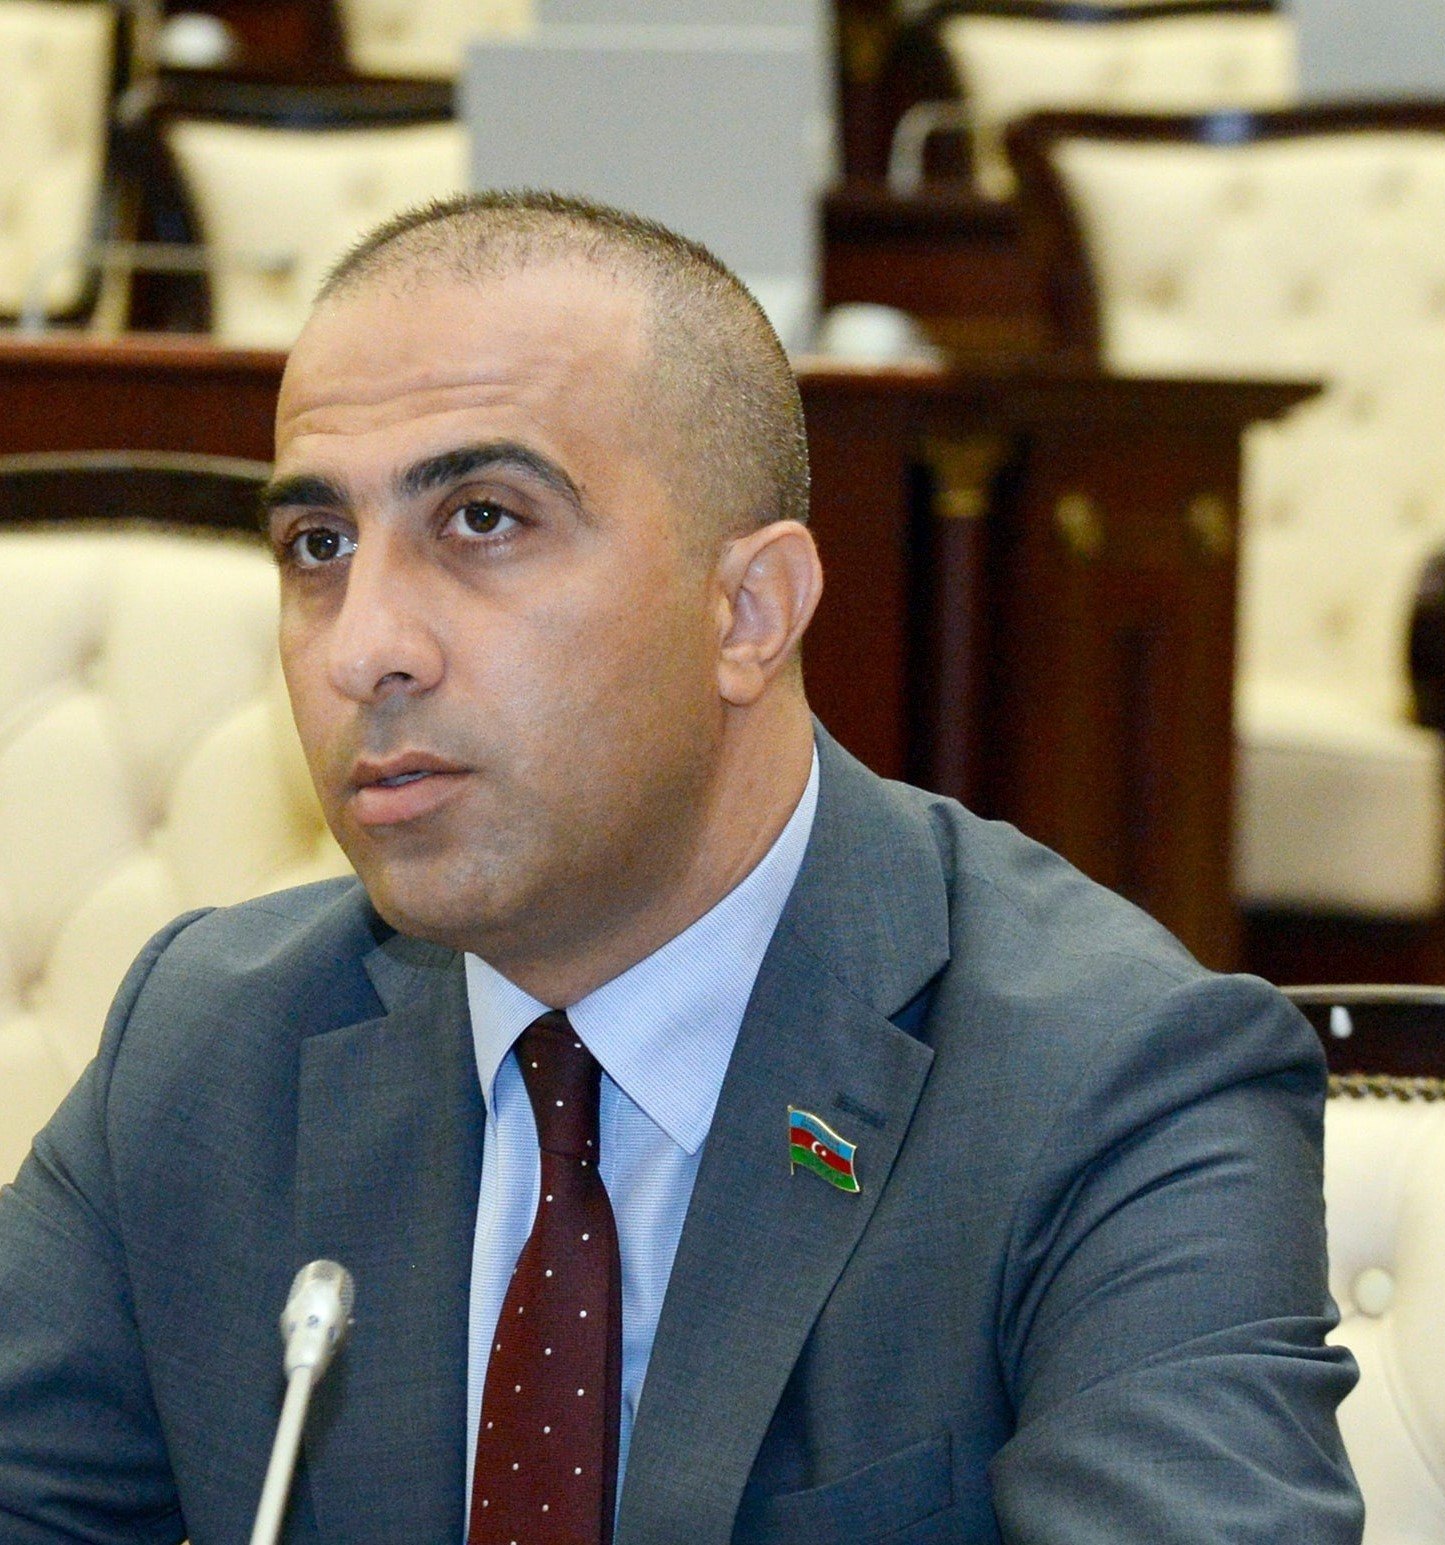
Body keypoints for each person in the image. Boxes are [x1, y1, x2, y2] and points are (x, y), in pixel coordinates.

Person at [0, 191, 1362, 1543]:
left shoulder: (1106, 1082)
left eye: (483, 520)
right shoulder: (208, 1046)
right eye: (318, 546)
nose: (365, 648)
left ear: (748, 612)